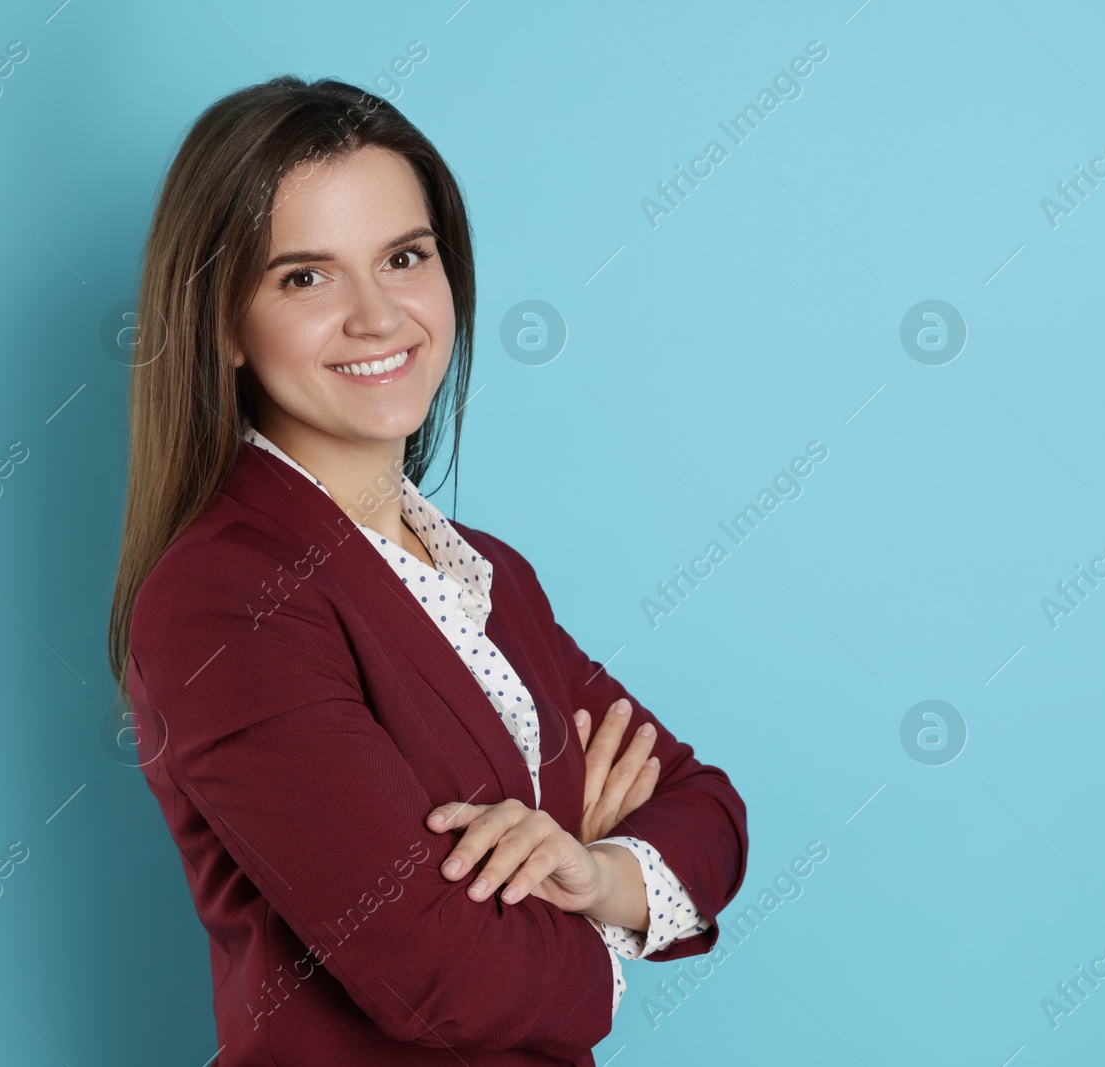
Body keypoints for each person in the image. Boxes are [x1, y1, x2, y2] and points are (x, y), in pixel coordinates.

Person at [105, 76, 748, 1066]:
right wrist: (605, 920)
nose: (378, 316)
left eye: (404, 257)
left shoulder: (488, 573)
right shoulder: (226, 598)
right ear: (223, 324)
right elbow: (446, 978)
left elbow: (707, 808)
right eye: (305, 277)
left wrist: (588, 865)